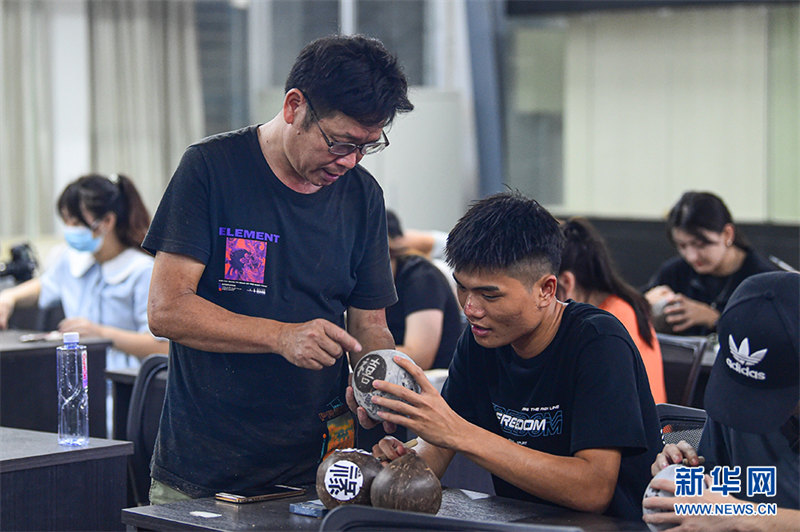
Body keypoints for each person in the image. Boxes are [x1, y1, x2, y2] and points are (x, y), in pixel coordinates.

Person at [142, 34, 413, 504]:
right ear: (294, 107)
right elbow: (167, 310)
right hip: (206, 467)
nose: (349, 161)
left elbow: (369, 324)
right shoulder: (211, 169)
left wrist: (378, 379)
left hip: (321, 471)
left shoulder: (362, 196)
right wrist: (281, 336)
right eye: (340, 142)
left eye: (367, 146)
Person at [358, 192, 663, 520]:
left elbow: (592, 490)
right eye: (462, 288)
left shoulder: (598, 342)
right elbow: (437, 449)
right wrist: (402, 464)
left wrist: (460, 433)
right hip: (525, 523)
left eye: (490, 295)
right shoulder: (480, 342)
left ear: (546, 290)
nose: (470, 309)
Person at [644, 271, 799, 530]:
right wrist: (683, 473)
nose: (751, 406)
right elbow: (718, 484)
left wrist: (742, 516)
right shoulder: (736, 394)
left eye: (769, 396)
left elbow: (730, 512)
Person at [0, 173, 167, 369]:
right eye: (66, 221)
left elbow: (163, 347)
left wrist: (101, 334)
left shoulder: (142, 271)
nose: (69, 230)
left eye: (76, 223)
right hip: (79, 375)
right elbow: (44, 286)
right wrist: (8, 298)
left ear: (107, 221)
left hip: (123, 381)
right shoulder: (73, 260)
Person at [558, 217, 667, 404]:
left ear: (566, 282)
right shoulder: (614, 307)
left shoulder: (610, 321)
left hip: (638, 421)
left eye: (546, 287)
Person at [644, 191, 776, 336]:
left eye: (701, 245)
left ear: (727, 234)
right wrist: (643, 303)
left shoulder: (762, 281)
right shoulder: (674, 272)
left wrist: (714, 319)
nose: (692, 257)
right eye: (682, 246)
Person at [385, 209, 462, 371]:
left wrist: (351, 351)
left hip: (435, 378)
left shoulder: (422, 277)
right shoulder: (366, 285)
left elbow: (419, 357)